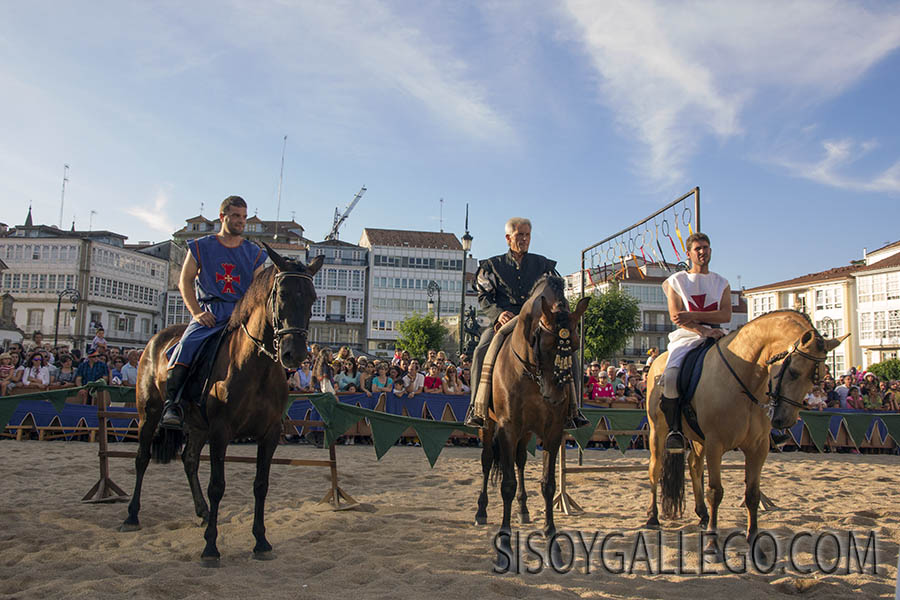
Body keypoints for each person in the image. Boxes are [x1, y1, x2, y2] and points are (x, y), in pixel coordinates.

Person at [465, 217, 589, 429]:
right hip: (506, 320)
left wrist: (560, 317)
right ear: (508, 238)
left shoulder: (544, 265)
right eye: (519, 235)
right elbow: (484, 296)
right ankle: (477, 409)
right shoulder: (491, 266)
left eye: (527, 235)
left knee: (569, 352)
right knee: (481, 350)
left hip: (539, 322)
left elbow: (558, 293)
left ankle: (573, 410)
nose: (524, 239)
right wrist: (498, 314)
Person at [161, 196, 268, 427]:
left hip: (241, 315)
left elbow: (259, 288)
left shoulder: (253, 252)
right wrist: (197, 312)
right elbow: (185, 282)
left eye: (244, 217)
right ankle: (173, 404)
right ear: (223, 217)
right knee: (187, 346)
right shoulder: (201, 246)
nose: (241, 221)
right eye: (236, 216)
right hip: (210, 312)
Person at [658, 232, 735, 452]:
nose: (703, 252)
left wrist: (694, 315)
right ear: (689, 253)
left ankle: (765, 426)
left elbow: (725, 316)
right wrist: (701, 327)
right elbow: (677, 317)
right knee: (671, 376)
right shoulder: (677, 281)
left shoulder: (722, 283)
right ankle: (675, 430)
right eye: (698, 248)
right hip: (688, 336)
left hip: (720, 333)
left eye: (706, 247)